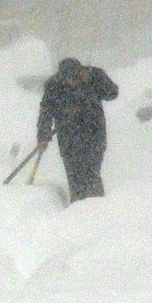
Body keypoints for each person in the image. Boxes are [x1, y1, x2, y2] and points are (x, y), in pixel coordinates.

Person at [36, 57, 119, 202]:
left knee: (92, 173)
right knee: (74, 176)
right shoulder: (54, 86)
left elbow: (112, 93)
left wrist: (96, 79)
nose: (72, 82)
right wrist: (43, 136)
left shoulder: (94, 77)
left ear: (81, 72)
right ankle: (77, 210)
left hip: (94, 135)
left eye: (75, 78)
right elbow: (46, 112)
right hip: (68, 138)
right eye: (68, 80)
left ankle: (96, 207)